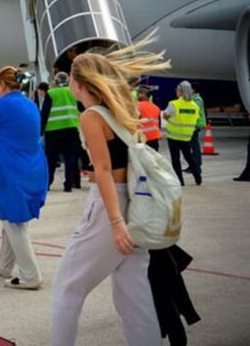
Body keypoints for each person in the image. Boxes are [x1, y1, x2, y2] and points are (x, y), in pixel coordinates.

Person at [51, 43, 168, 346]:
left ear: (78, 83)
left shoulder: (92, 117)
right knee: (134, 296)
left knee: (67, 286)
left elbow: (102, 170)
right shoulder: (122, 109)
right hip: (136, 201)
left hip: (109, 205)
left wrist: (115, 222)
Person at [0, 67, 47, 290]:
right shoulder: (30, 104)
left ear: (3, 85)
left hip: (9, 170)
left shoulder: (1, 105)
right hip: (32, 167)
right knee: (12, 221)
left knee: (13, 222)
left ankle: (30, 274)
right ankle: (5, 265)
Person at [42, 72, 81, 192]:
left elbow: (44, 113)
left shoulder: (51, 93)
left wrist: (40, 131)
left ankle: (47, 183)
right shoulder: (73, 92)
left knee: (51, 159)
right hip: (71, 128)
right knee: (70, 158)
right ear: (68, 80)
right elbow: (80, 109)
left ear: (56, 81)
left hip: (52, 131)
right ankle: (69, 184)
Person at [164, 81, 202, 186]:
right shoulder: (194, 105)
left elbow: (165, 116)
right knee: (189, 157)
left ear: (181, 91)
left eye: (177, 89)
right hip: (186, 136)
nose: (176, 91)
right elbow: (196, 118)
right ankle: (198, 177)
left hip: (173, 135)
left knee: (175, 159)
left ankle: (180, 181)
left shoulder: (174, 104)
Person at [187, 82, 206, 173]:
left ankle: (196, 165)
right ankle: (192, 164)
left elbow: (193, 111)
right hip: (191, 125)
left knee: (194, 146)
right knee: (191, 145)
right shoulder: (193, 99)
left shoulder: (197, 99)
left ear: (193, 90)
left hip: (195, 125)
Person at [136, 86, 161, 151]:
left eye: (139, 93)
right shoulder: (156, 108)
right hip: (154, 139)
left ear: (145, 95)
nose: (137, 95)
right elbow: (159, 124)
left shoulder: (137, 106)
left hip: (141, 139)